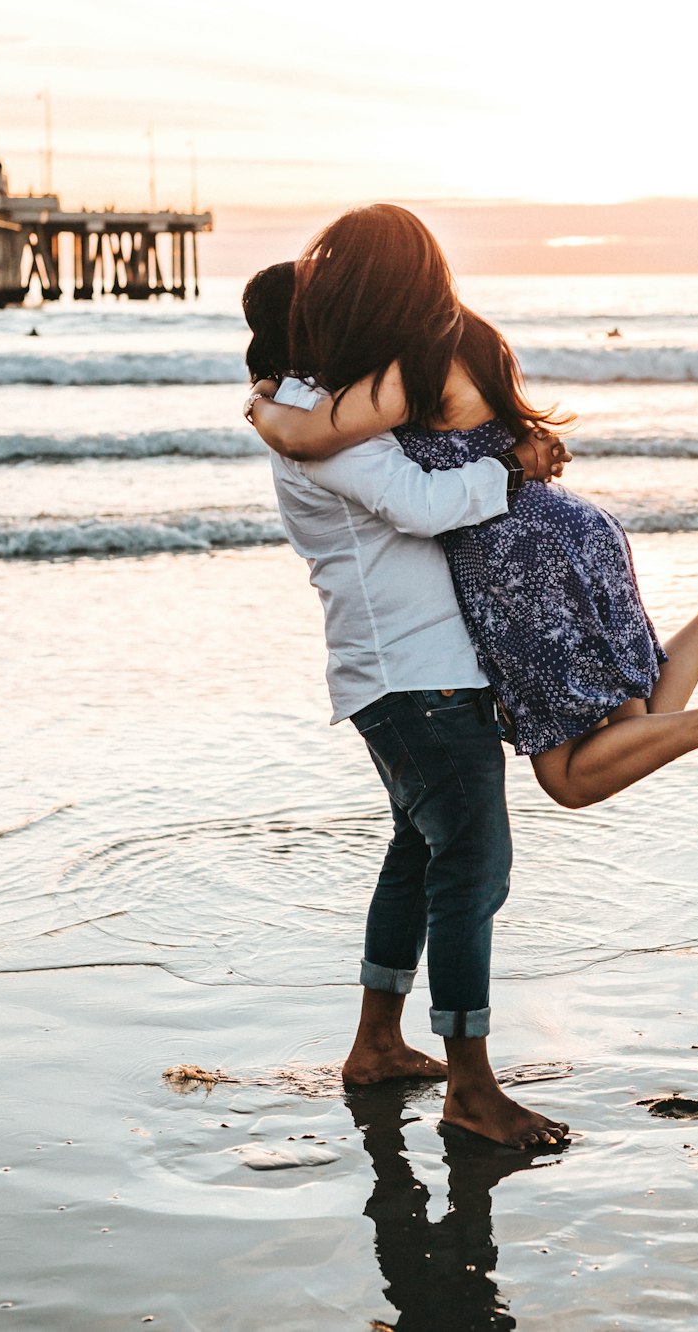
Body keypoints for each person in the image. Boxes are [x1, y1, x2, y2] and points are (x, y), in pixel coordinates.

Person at [249, 204, 698, 817]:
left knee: (571, 777)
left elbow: (308, 437)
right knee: (642, 716)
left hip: (516, 557)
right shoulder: (473, 336)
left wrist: (259, 402)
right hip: (569, 526)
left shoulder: (408, 364)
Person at [243, 261, 572, 1151]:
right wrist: (511, 466)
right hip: (415, 675)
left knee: (417, 854)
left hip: (397, 671)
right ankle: (472, 1087)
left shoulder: (313, 412)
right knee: (473, 867)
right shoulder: (326, 425)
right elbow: (420, 505)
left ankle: (378, 1043)